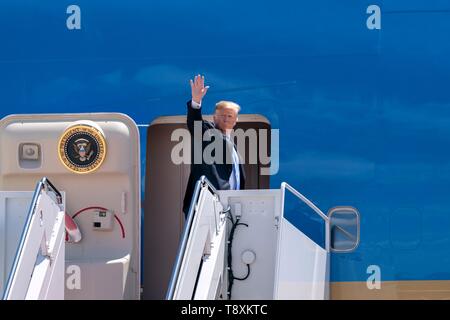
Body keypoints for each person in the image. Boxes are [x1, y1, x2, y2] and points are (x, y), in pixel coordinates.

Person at [183, 74, 246, 217]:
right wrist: (196, 101)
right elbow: (195, 124)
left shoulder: (233, 146)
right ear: (214, 117)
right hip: (209, 205)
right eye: (221, 115)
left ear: (235, 120)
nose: (225, 118)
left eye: (229, 116)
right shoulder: (209, 133)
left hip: (230, 207)